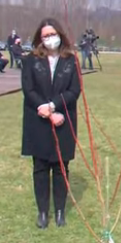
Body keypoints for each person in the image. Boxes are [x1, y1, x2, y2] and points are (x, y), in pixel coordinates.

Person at [21, 18, 81, 229]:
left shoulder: (71, 61)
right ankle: (43, 212)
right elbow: (28, 90)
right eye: (45, 35)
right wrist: (45, 110)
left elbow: (74, 90)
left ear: (60, 35)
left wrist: (54, 106)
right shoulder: (30, 60)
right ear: (39, 38)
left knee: (60, 167)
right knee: (40, 167)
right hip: (38, 119)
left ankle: (59, 211)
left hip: (63, 119)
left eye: (52, 34)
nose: (49, 38)